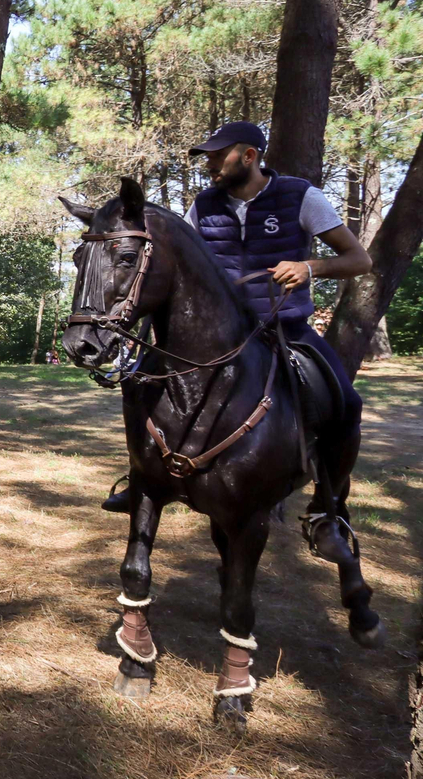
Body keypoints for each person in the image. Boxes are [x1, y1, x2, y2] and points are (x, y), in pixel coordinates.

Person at [101, 122, 372, 565]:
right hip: (215, 335)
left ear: (249, 156)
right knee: (140, 384)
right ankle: (142, 477)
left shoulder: (302, 197)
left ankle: (328, 511)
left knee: (348, 405)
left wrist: (309, 268)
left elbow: (359, 259)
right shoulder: (202, 205)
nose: (208, 164)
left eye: (216, 155)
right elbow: (177, 260)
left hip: (285, 327)